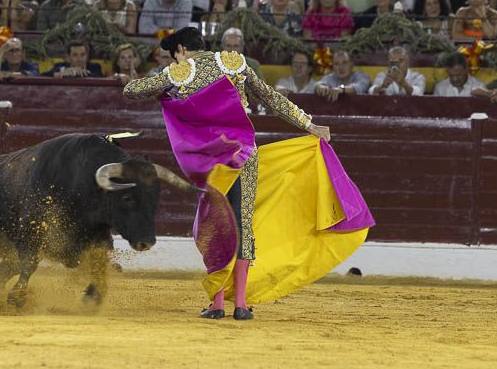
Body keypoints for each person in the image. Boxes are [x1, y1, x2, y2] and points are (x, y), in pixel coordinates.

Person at [123, 24, 343, 321]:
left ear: (181, 51)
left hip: (212, 163)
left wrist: (165, 86)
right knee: (243, 222)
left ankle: (217, 305)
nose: (175, 61)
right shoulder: (233, 62)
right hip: (244, 154)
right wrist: (309, 125)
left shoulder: (180, 72)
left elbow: (131, 90)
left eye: (174, 55)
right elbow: (270, 98)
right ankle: (240, 304)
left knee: (216, 224)